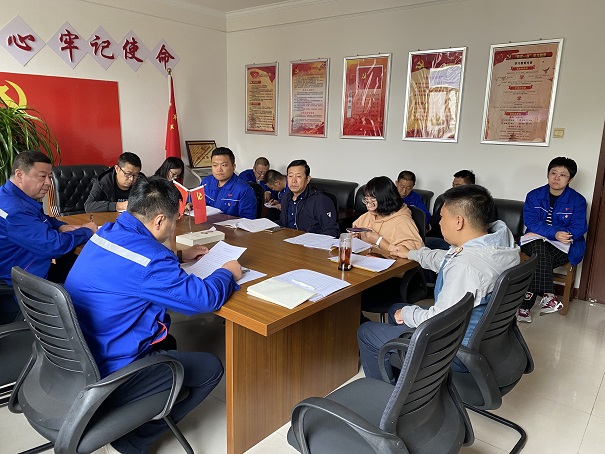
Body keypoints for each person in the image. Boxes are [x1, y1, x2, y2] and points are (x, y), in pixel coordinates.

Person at [64, 176, 242, 453]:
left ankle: (146, 401)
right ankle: (132, 441)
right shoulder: (150, 259)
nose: (174, 227)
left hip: (79, 354)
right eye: (174, 221)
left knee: (169, 342)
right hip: (110, 366)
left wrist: (179, 257)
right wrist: (226, 272)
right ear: (159, 220)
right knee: (211, 368)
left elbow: (134, 264)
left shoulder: (108, 231)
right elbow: (203, 299)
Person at [357, 184, 520, 382]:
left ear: (458, 221)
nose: (439, 222)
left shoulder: (466, 268)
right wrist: (413, 254)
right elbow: (448, 259)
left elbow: (440, 320)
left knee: (367, 331)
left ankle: (388, 395)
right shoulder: (497, 244)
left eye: (442, 217)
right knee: (395, 310)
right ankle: (404, 374)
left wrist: (407, 314)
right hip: (487, 340)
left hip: (453, 349)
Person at [0, 151, 96, 324]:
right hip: (22, 286)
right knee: (92, 293)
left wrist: (60, 226)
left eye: (50, 177)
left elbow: (38, 217)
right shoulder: (16, 211)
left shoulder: (8, 196)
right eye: (42, 176)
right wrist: (87, 231)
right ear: (20, 175)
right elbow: (53, 246)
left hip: (22, 267)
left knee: (76, 269)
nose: (48, 183)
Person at [517, 157, 588, 323]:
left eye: (563, 175)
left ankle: (525, 307)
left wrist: (563, 235)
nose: (557, 178)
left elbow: (579, 227)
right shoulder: (534, 195)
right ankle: (548, 295)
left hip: (563, 244)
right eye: (553, 173)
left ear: (570, 179)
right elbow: (531, 222)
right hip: (535, 240)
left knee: (538, 260)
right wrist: (553, 233)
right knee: (540, 249)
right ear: (548, 174)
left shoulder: (578, 200)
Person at [353, 176, 424, 317]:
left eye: (372, 201)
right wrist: (355, 235)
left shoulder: (402, 220)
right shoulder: (370, 215)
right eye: (366, 200)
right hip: (368, 271)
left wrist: (379, 240)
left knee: (350, 294)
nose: (368, 206)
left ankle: (360, 324)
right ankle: (356, 323)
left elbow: (411, 253)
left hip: (393, 278)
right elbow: (356, 228)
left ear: (384, 199)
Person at [278, 159, 340, 238]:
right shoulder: (286, 196)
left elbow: (332, 231)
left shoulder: (320, 200)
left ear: (307, 179)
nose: (293, 181)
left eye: (298, 176)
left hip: (310, 243)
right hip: (287, 240)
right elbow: (283, 222)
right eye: (290, 176)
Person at [201, 147, 257, 219]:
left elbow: (248, 220)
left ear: (233, 167)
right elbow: (195, 201)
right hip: (206, 224)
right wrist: (190, 204)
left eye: (224, 165)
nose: (219, 169)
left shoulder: (244, 190)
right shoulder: (206, 182)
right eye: (215, 165)